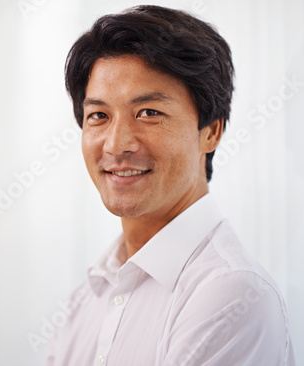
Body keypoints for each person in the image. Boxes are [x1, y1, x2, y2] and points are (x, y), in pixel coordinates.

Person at [43, 5, 295, 366]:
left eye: (149, 113)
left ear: (211, 131)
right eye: (99, 115)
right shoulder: (86, 299)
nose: (116, 145)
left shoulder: (232, 294)